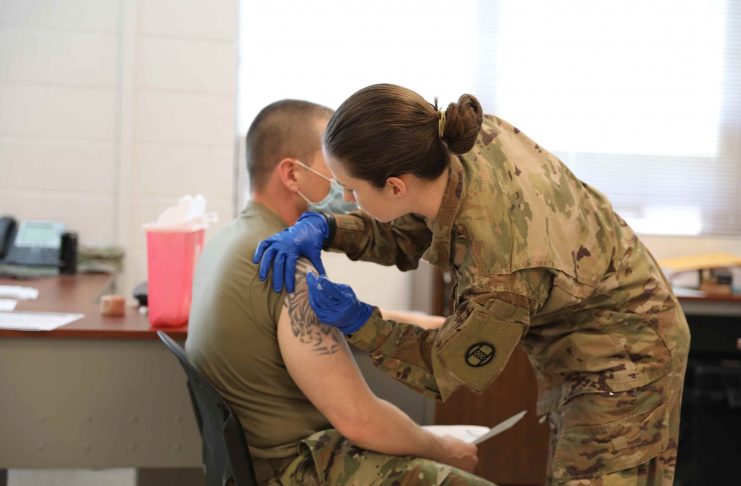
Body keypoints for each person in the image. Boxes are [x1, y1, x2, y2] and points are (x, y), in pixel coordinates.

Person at [253, 84, 691, 485]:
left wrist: (361, 322)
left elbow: (445, 366)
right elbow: (413, 231)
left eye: (351, 190)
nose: (347, 200)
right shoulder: (454, 142)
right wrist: (330, 229)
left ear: (395, 185)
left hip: (625, 353)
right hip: (587, 330)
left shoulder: (501, 273)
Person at [185, 99, 491, 485]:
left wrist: (411, 321)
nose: (344, 180)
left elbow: (282, 323)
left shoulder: (228, 242)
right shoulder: (288, 267)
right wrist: (445, 449)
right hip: (298, 470)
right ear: (292, 174)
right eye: (331, 162)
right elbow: (360, 420)